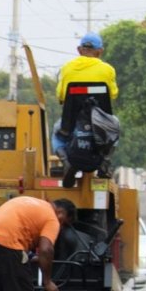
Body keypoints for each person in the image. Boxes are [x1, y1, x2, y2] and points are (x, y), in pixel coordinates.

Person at [52, 32, 119, 188]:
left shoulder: (67, 68)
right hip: (100, 125)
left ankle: (67, 162)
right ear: (100, 51)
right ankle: (105, 162)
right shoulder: (107, 69)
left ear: (79, 50)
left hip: (72, 122)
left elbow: (61, 95)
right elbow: (113, 94)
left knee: (56, 132)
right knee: (115, 128)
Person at [52, 198, 93, 262]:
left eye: (59, 212)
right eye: (53, 212)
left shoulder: (64, 235)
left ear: (69, 217)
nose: (54, 215)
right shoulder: (85, 236)